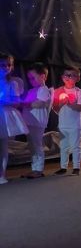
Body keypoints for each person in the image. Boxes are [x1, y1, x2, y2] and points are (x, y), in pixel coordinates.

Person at [52, 67, 81, 176]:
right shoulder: (58, 91)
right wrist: (61, 103)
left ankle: (76, 167)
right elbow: (55, 108)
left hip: (75, 125)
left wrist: (69, 103)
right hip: (62, 125)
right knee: (63, 147)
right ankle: (63, 167)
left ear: (77, 78)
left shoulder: (80, 93)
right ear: (62, 77)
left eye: (72, 75)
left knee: (75, 146)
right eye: (66, 75)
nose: (68, 77)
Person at [0, 52, 29, 184]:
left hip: (6, 116)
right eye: (2, 65)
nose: (6, 67)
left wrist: (3, 102)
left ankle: (1, 175)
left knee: (3, 147)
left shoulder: (14, 83)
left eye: (9, 65)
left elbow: (16, 102)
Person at [20, 62, 52, 179]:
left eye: (33, 78)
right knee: (32, 146)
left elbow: (39, 104)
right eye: (29, 78)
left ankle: (38, 170)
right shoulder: (31, 91)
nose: (31, 81)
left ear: (43, 76)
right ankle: (34, 168)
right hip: (29, 122)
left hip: (37, 123)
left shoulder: (44, 90)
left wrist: (24, 103)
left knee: (37, 145)